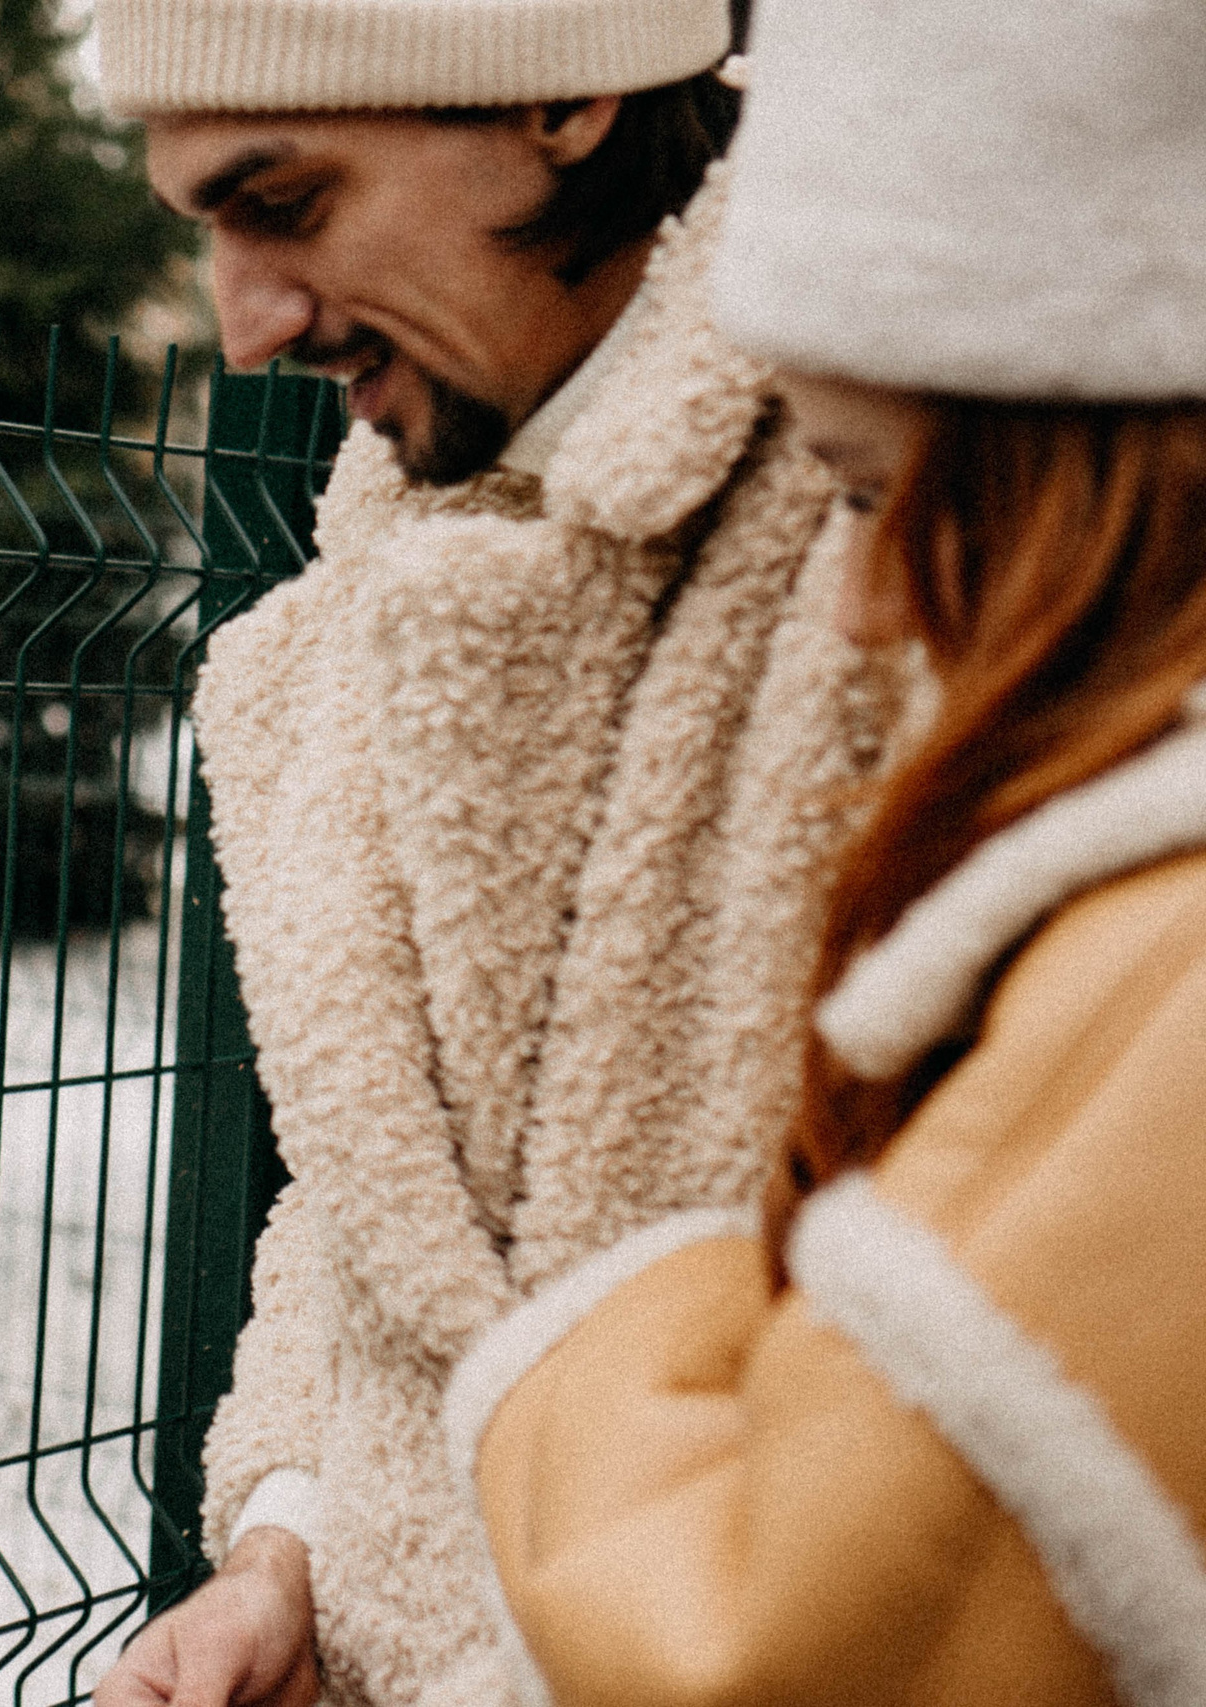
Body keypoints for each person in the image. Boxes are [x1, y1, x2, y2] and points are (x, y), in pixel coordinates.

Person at [87, 0, 900, 1701]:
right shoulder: (370, 598)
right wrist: (291, 1543)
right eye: (206, 230)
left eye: (287, 203)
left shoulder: (919, 534)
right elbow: (383, 1193)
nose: (243, 328)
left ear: (564, 90)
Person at [444, 0, 1206, 1702]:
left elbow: (783, 1648)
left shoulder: (1168, 983)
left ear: (1093, 474)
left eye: (867, 493)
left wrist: (619, 1338)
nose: (858, 613)